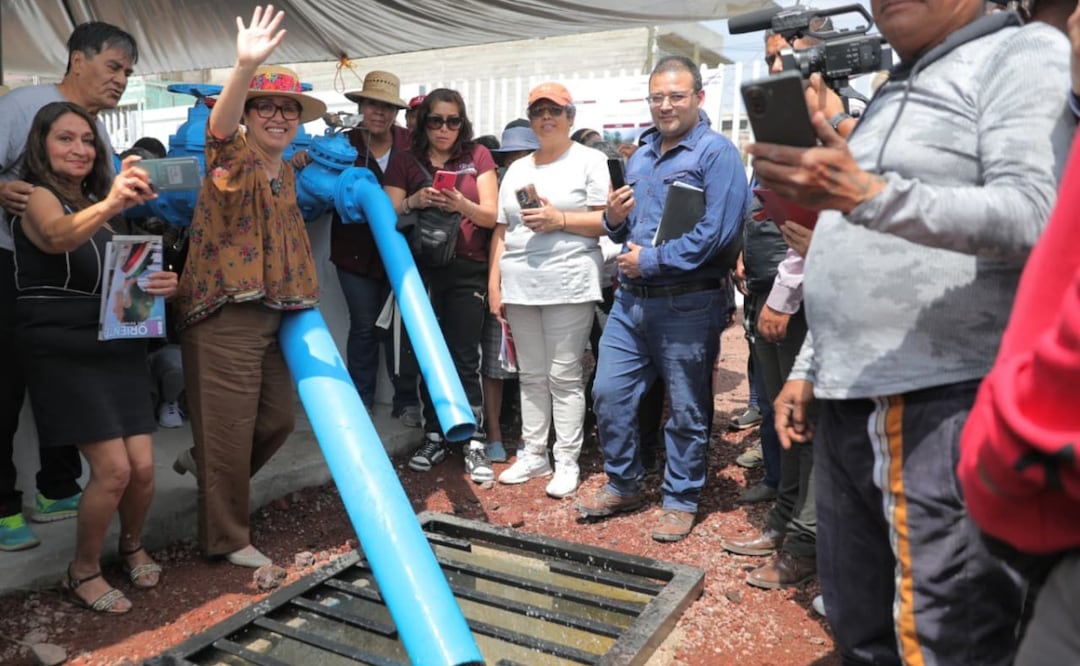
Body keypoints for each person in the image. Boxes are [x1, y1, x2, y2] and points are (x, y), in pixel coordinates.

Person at [750, 1, 1073, 661]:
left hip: (941, 396)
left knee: (941, 634)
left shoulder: (1021, 53)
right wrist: (813, 366)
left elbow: (1038, 214)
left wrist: (868, 193)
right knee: (859, 619)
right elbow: (850, 239)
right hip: (854, 395)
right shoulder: (897, 85)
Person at [172, 5, 325, 568]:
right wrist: (244, 68)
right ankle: (228, 539)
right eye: (266, 107)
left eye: (288, 109)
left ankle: (206, 467)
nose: (278, 117)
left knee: (277, 421)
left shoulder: (286, 171)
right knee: (230, 431)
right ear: (249, 115)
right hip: (223, 314)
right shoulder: (232, 156)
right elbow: (219, 128)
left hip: (274, 314)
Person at [576, 57, 749, 542]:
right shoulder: (642, 154)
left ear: (698, 97)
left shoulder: (717, 154)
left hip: (687, 304)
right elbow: (626, 228)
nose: (665, 105)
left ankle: (680, 498)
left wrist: (650, 261)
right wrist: (613, 219)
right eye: (657, 97)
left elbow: (718, 234)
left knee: (688, 407)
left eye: (676, 96)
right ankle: (624, 482)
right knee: (608, 393)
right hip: (631, 302)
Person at [16, 101, 175, 612]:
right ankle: (82, 570)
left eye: (87, 140)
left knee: (143, 469)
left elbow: (122, 285)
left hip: (116, 347)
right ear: (41, 145)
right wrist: (111, 203)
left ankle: (131, 546)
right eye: (65, 138)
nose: (80, 149)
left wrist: (159, 285)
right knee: (114, 471)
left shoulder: (99, 207)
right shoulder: (37, 197)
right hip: (65, 350)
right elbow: (57, 237)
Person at [0, 21, 137, 551]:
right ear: (78, 59)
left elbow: (101, 208)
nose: (121, 79)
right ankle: (3, 506)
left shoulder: (96, 131)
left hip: (79, 275)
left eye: (128, 73)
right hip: (13, 265)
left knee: (63, 380)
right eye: (113, 66)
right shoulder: (22, 105)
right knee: (7, 385)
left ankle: (57, 487)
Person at [489, 82, 609, 499]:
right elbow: (502, 231)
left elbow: (606, 222)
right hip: (521, 283)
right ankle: (534, 452)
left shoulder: (590, 160)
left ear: (570, 117)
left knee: (564, 374)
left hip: (569, 280)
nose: (546, 118)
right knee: (531, 375)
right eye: (538, 112)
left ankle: (567, 458)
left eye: (554, 111)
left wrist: (560, 219)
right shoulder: (518, 169)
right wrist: (494, 285)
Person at [383, 88, 498, 484]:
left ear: (462, 124)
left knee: (465, 355)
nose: (444, 129)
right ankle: (434, 434)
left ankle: (472, 437)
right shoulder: (405, 159)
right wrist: (415, 201)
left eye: (452, 121)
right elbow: (388, 211)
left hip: (468, 269)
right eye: (436, 121)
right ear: (423, 123)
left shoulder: (477, 156)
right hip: (423, 269)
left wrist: (460, 205)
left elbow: (491, 216)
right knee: (429, 355)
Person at [326, 70, 421, 427]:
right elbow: (316, 179)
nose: (379, 112)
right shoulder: (342, 143)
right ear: (360, 106)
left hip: (402, 251)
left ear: (396, 112)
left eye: (387, 107)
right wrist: (303, 159)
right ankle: (361, 399)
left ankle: (406, 400)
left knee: (403, 326)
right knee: (364, 325)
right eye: (371, 104)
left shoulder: (411, 144)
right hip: (354, 251)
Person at [480, 125, 539, 463]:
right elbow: (498, 236)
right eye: (508, 157)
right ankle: (494, 435)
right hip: (504, 283)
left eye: (522, 154)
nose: (514, 162)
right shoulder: (497, 188)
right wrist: (494, 286)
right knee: (494, 363)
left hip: (540, 287)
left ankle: (534, 439)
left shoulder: (548, 185)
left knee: (535, 367)